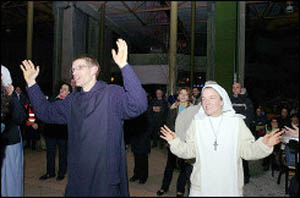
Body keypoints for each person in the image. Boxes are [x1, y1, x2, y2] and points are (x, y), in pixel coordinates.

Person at [20, 38, 148, 196]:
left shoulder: (111, 93)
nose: (74, 72)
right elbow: (46, 112)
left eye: (79, 67)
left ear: (94, 69)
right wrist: (32, 83)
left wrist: (124, 66)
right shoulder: (73, 101)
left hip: (104, 177)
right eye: (73, 69)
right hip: (78, 177)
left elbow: (139, 104)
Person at [160, 81, 284, 196]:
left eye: (211, 98)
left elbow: (247, 151)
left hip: (229, 186)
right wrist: (175, 142)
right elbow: (190, 151)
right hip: (202, 187)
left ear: (222, 101)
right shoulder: (197, 123)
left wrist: (263, 144)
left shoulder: (236, 122)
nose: (206, 102)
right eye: (203, 98)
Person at [157, 87, 192, 197]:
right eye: (181, 94)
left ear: (188, 97)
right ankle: (164, 187)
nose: (183, 96)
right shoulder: (173, 108)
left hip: (185, 142)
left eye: (185, 94)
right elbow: (168, 123)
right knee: (169, 166)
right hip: (173, 140)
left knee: (183, 168)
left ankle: (180, 189)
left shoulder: (193, 109)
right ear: (178, 95)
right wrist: (168, 139)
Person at [1, 67, 27, 196]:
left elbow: (20, 118)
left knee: (11, 180)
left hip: (10, 144)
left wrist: (12, 96)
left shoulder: (11, 97)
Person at [39, 82, 72, 181]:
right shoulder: (53, 99)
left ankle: (62, 172)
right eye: (61, 88)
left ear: (69, 93)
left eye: (65, 89)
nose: (62, 90)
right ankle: (50, 172)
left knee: (63, 153)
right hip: (51, 131)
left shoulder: (70, 102)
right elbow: (47, 109)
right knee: (50, 153)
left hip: (63, 132)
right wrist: (56, 98)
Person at [230, 82, 254, 184]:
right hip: (231, 132)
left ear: (241, 89)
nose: (235, 89)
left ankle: (246, 176)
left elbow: (249, 116)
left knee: (243, 154)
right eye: (234, 88)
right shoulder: (229, 100)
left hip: (242, 131)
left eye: (237, 87)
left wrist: (241, 124)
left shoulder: (247, 101)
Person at [128, 111, 151, 184]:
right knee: (136, 159)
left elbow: (150, 127)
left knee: (143, 160)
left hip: (143, 140)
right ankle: (136, 175)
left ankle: (143, 177)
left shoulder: (147, 113)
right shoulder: (133, 112)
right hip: (135, 140)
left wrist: (143, 138)